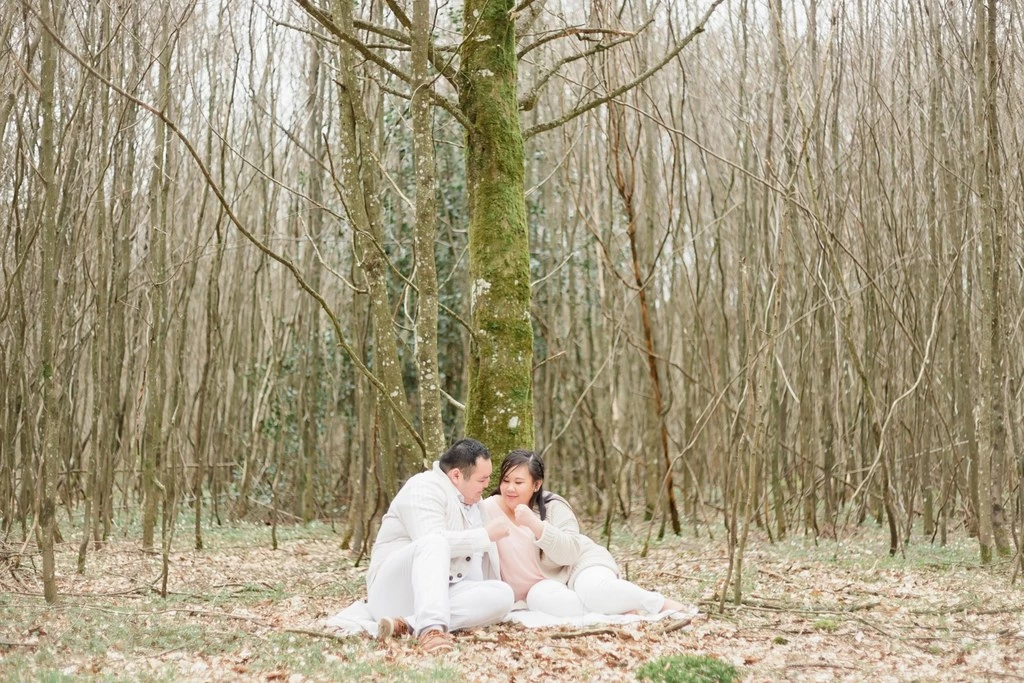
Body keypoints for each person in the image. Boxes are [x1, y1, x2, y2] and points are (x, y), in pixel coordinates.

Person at [479, 449, 687, 617]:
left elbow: (570, 554)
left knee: (593, 592)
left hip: (580, 564)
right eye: (506, 481)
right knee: (544, 602)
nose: (510, 488)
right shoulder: (488, 509)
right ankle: (616, 608)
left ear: (536, 484)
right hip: (544, 584)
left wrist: (535, 525)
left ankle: (660, 603)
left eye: (518, 482)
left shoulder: (553, 507)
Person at [366, 438, 514, 653]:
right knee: (435, 541)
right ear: (456, 475)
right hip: (392, 589)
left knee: (503, 594)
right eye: (482, 480)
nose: (487, 486)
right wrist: (484, 535)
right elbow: (431, 542)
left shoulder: (476, 504)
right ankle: (431, 630)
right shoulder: (422, 487)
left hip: (438, 594)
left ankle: (407, 624)